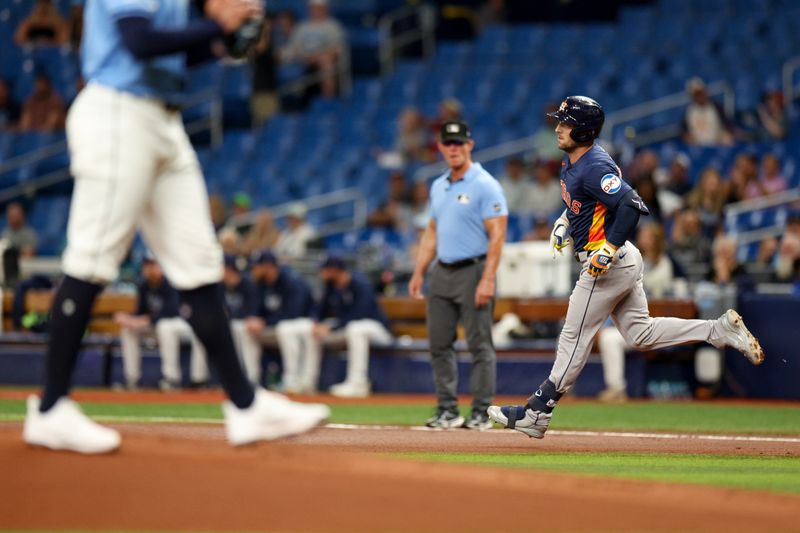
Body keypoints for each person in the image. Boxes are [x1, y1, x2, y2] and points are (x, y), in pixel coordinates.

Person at [22, 0, 329, 455]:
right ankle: (50, 409)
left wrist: (227, 40)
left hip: (162, 119)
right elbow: (139, 41)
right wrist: (216, 23)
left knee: (199, 264)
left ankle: (246, 406)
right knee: (92, 257)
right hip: (116, 114)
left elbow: (175, 55)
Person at [487, 96, 764, 439]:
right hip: (619, 259)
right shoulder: (575, 160)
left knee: (574, 335)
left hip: (608, 264)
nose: (557, 127)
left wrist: (609, 247)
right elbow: (586, 206)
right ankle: (717, 330)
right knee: (640, 334)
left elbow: (632, 206)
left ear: (584, 130)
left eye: (565, 122)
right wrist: (564, 222)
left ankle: (538, 410)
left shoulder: (595, 166)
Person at [408, 120, 508, 430]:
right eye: (448, 143)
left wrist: (488, 278)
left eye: (458, 143)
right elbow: (432, 231)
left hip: (474, 269)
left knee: (479, 345)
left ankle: (480, 412)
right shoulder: (439, 185)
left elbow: (498, 234)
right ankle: (447, 410)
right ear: (440, 147)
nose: (453, 148)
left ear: (470, 145)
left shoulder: (485, 184)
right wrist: (419, 271)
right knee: (439, 343)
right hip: (443, 270)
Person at [285, 255, 393, 398]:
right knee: (314, 332)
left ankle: (358, 383)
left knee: (356, 328)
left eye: (324, 270)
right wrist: (317, 323)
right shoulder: (331, 287)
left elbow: (359, 314)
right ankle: (308, 382)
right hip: (347, 329)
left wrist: (331, 328)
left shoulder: (361, 284)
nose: (321, 274)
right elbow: (319, 310)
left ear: (334, 270)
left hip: (377, 330)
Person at [114, 257, 209, 391]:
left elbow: (171, 311)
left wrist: (139, 321)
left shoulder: (171, 282)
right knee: (128, 330)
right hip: (158, 326)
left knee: (165, 326)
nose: (150, 269)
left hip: (182, 325)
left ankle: (172, 378)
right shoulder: (144, 286)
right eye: (147, 265)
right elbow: (140, 311)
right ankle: (131, 379)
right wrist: (129, 319)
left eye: (153, 265)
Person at [245, 250, 317, 391]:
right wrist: (254, 320)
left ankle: (292, 379)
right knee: (245, 329)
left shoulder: (291, 281)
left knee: (285, 328)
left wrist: (265, 322)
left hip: (302, 324)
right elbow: (256, 309)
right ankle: (251, 379)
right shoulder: (261, 284)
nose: (253, 270)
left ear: (268, 266)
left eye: (257, 266)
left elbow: (294, 312)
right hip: (275, 326)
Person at [279, 0, 346, 99]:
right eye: (313, 7)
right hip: (303, 60)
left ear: (325, 8)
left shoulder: (333, 26)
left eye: (318, 7)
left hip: (323, 61)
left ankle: (328, 100)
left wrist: (319, 57)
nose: (316, 10)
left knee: (326, 63)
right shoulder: (302, 27)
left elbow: (338, 50)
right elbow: (294, 48)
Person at [221, 254, 260, 384]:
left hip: (250, 324)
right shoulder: (220, 286)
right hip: (232, 324)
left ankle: (252, 378)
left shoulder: (248, 284)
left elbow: (252, 310)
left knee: (242, 328)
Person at [682, 77, 733, 146]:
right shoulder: (689, 111)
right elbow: (683, 131)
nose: (699, 97)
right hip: (698, 146)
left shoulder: (716, 107)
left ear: (705, 92)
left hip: (717, 143)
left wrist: (726, 134)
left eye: (700, 93)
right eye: (696, 95)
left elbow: (727, 125)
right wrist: (688, 138)